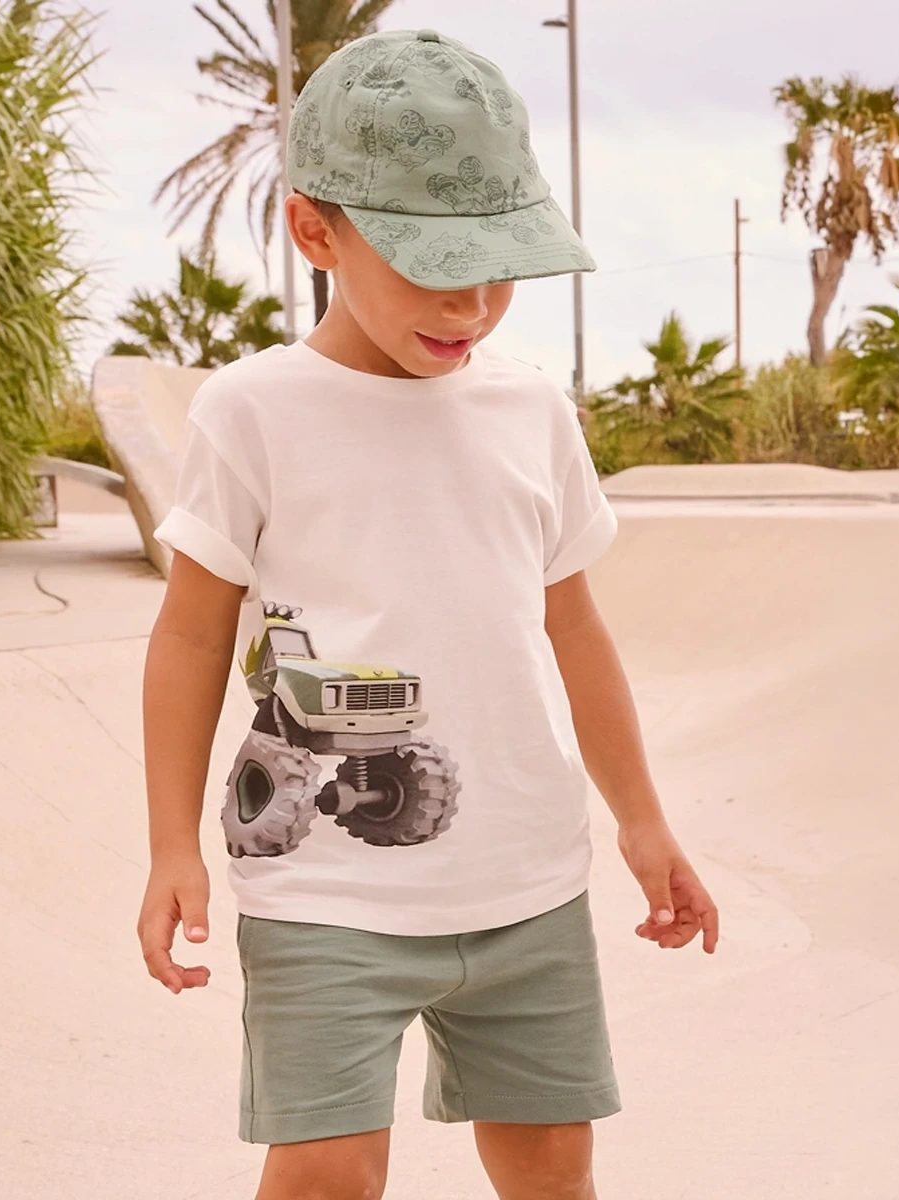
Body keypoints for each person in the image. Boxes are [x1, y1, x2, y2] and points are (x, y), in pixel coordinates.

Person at [138, 27, 718, 1200]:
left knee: (553, 1168)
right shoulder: (252, 412)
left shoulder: (531, 412)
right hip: (324, 895)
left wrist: (643, 821)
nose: (473, 303)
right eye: (432, 264)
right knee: (329, 1172)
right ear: (316, 233)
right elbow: (192, 633)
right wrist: (169, 847)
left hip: (526, 881)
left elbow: (574, 630)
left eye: (499, 267)